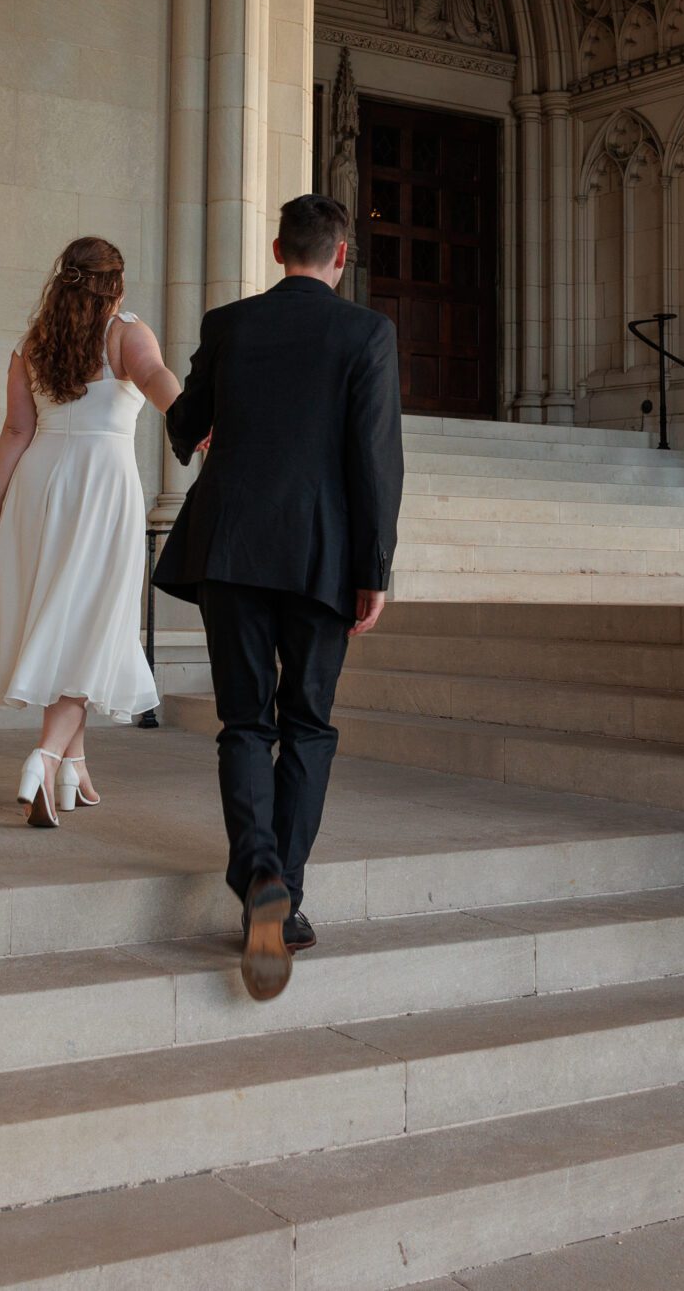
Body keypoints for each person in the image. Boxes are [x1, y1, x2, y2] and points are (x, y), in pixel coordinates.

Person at [154, 194, 405, 1001]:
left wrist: (214, 417)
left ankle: (259, 869)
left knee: (244, 721)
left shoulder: (229, 324)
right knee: (306, 724)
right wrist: (376, 566)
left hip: (231, 549)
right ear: (341, 257)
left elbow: (186, 423)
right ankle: (281, 891)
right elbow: (375, 460)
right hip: (323, 557)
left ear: (275, 249)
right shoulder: (366, 332)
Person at [0, 238, 181, 826]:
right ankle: (43, 756)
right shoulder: (126, 333)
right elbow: (158, 378)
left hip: (39, 485)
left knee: (70, 618)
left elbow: (16, 429)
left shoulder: (34, 343)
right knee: (91, 620)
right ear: (114, 284)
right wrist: (195, 420)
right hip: (101, 485)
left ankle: (73, 770)